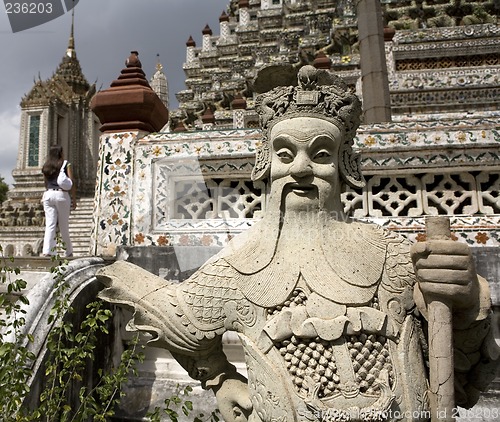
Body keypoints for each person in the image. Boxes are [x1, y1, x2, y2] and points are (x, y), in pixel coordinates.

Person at [98, 66, 499, 422]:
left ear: (344, 165)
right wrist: (221, 379)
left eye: (320, 154)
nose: (301, 168)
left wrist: (465, 298)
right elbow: (177, 320)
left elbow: (460, 379)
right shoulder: (238, 267)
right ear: (267, 165)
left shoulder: (394, 257)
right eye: (285, 153)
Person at [41, 145, 76, 257]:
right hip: (61, 195)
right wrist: (74, 199)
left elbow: (45, 183)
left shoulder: (46, 166)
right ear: (60, 153)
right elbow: (72, 182)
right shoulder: (66, 164)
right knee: (63, 226)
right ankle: (68, 251)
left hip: (48, 194)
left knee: (50, 224)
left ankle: (47, 251)